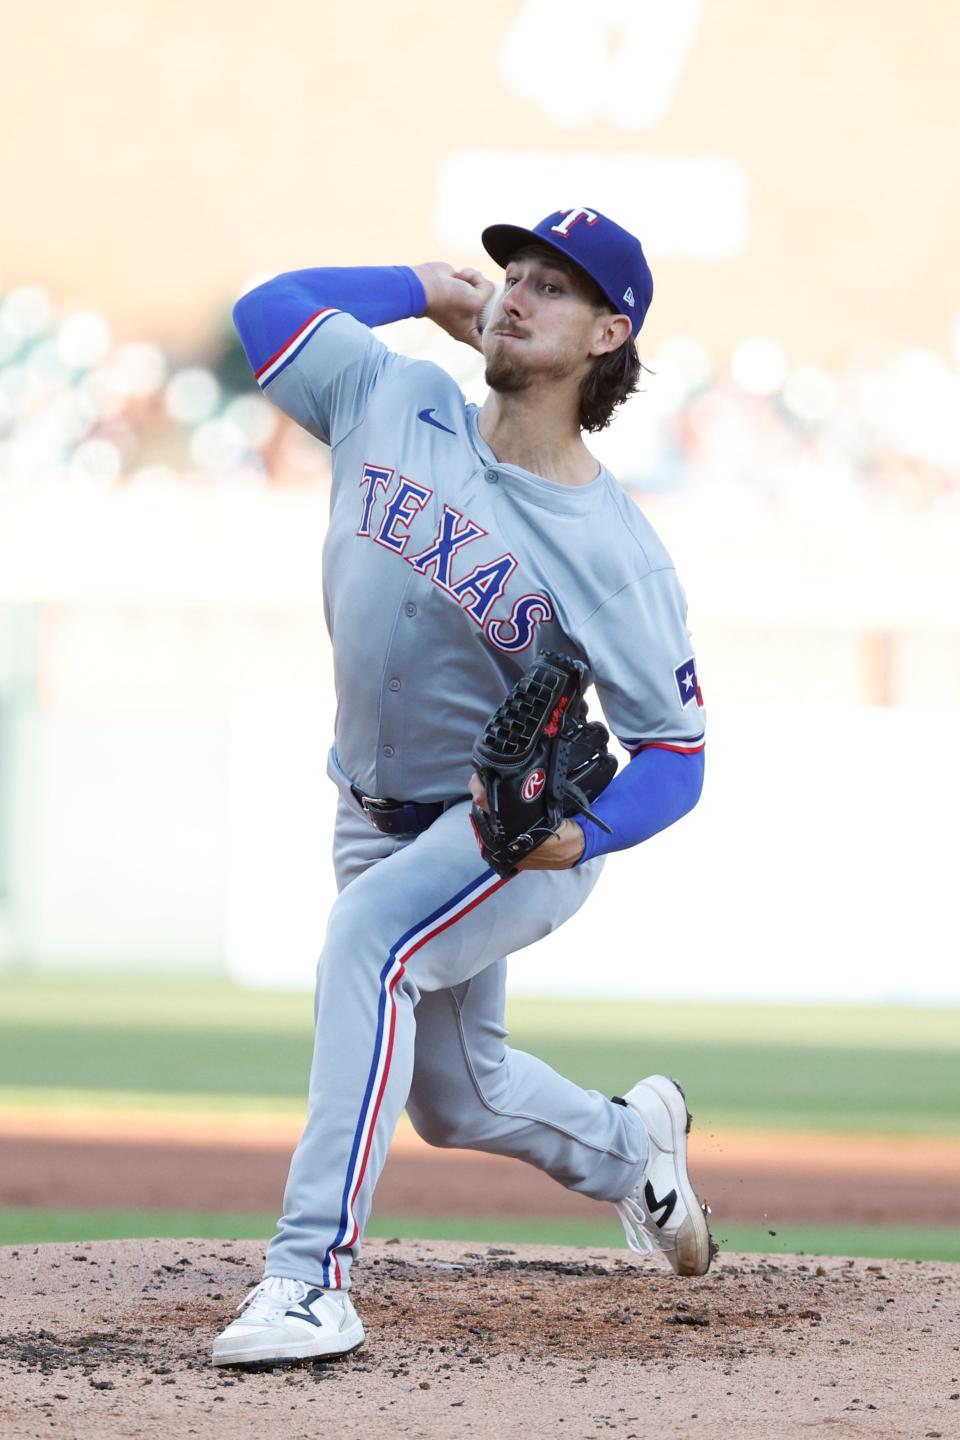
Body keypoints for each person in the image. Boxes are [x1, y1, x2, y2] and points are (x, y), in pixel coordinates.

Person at [212, 207, 711, 1368]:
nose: (515, 296)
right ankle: (636, 1145)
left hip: (499, 833)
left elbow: (678, 758)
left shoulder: (615, 550)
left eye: (552, 286)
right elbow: (263, 312)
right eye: (509, 276)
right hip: (368, 803)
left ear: (607, 334)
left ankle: (308, 1280)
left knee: (367, 946)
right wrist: (414, 284)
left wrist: (575, 842)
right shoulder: (391, 396)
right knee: (457, 1096)